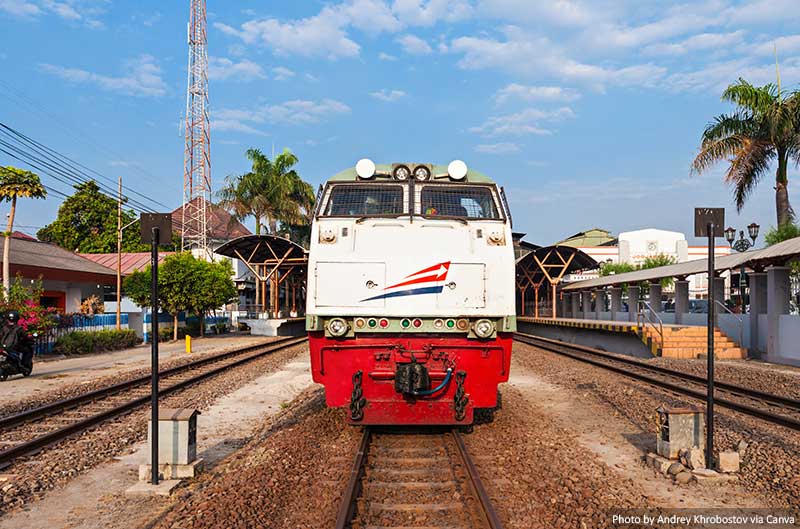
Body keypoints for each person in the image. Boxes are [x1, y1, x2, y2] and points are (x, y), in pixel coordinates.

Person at [0, 310, 33, 375]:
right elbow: (26, 337)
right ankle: (23, 365)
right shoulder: (19, 329)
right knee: (27, 350)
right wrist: (31, 338)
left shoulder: (4, 328)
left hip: (3, 347)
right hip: (14, 348)